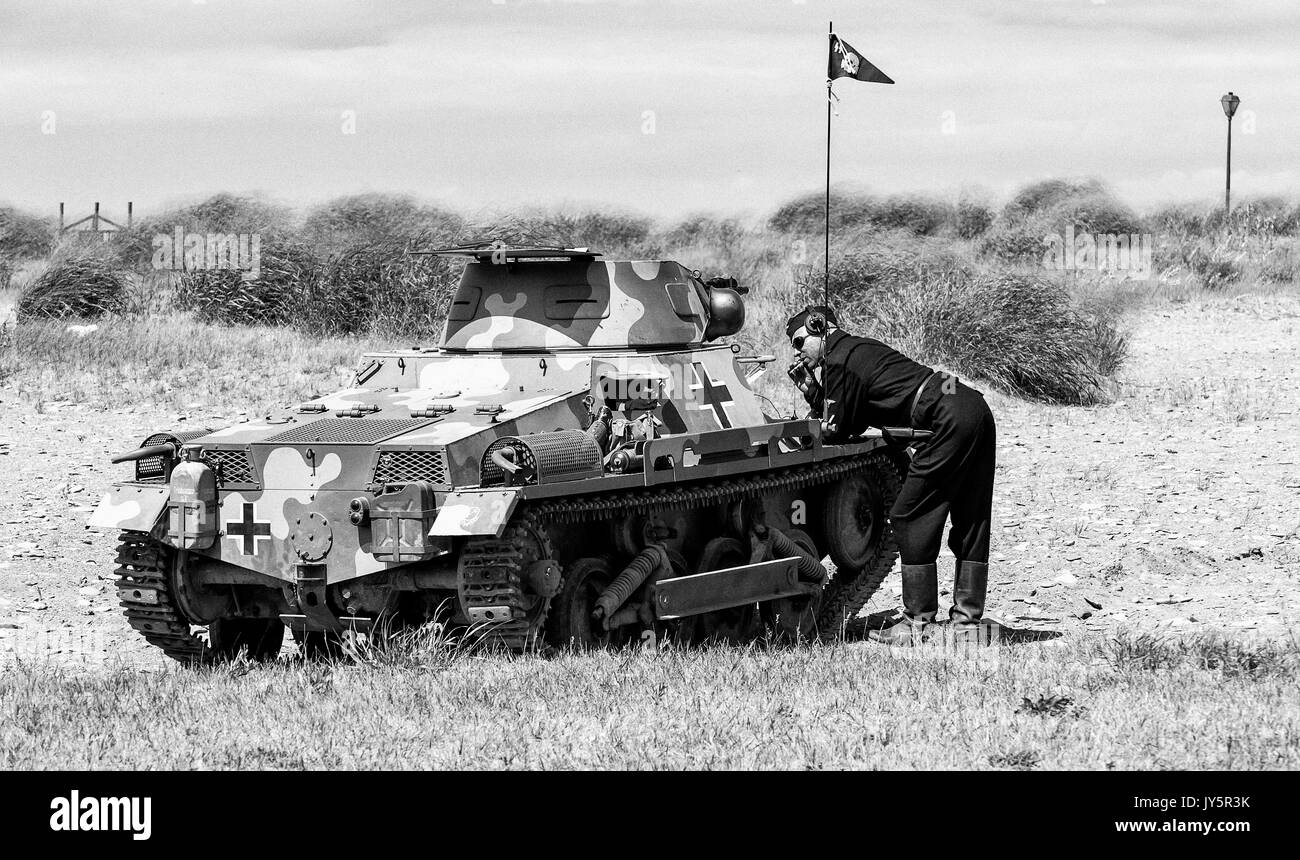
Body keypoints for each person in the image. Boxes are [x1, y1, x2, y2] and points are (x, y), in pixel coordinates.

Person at [785, 305, 998, 645]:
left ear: (818, 327)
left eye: (799, 343)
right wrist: (814, 390)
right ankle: (968, 623)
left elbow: (836, 430)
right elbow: (854, 415)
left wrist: (814, 398)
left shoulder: (838, 360)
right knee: (971, 516)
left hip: (946, 419)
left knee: (907, 515)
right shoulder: (857, 348)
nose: (798, 353)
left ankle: (917, 623)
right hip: (971, 405)